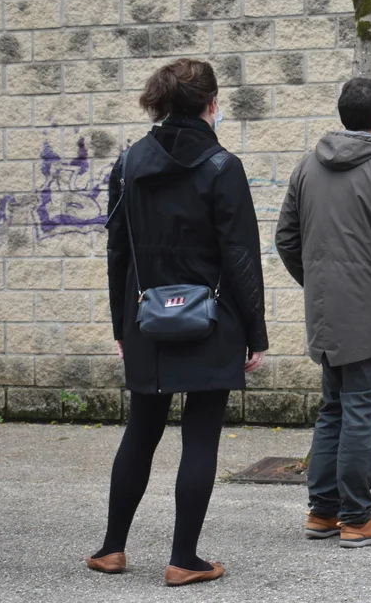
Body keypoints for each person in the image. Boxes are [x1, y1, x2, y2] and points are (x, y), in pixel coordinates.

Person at [92, 58, 269, 587]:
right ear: (212, 105)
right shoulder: (222, 166)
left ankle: (111, 548)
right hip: (212, 320)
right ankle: (183, 559)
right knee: (200, 437)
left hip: (146, 318)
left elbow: (118, 251)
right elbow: (241, 256)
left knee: (141, 429)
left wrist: (121, 325)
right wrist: (256, 333)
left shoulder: (128, 164)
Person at [275, 77, 371, 548]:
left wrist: (319, 284)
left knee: (333, 410)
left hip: (327, 315)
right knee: (360, 413)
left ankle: (323, 511)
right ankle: (357, 517)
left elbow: (286, 239)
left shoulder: (307, 167)